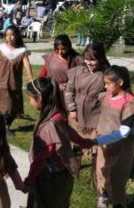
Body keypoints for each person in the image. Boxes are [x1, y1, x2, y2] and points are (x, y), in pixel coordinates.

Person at [24, 78, 95, 208]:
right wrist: (84, 142)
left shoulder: (48, 126)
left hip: (49, 180)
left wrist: (29, 180)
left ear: (39, 97)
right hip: (62, 173)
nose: (29, 102)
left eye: (30, 98)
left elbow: (41, 158)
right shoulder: (57, 115)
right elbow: (69, 132)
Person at [95, 66, 134, 208]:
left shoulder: (129, 102)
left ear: (120, 83)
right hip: (104, 146)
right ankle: (104, 197)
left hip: (121, 148)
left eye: (108, 83)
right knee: (102, 173)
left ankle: (119, 203)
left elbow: (124, 132)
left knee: (117, 178)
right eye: (104, 83)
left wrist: (99, 140)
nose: (105, 86)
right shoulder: (107, 96)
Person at [64, 43, 110, 138]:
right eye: (86, 59)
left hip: (95, 114)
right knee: (77, 139)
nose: (89, 63)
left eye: (93, 60)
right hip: (76, 114)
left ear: (101, 58)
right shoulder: (78, 71)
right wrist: (72, 108)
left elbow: (109, 95)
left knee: (93, 140)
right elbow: (69, 90)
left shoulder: (106, 74)